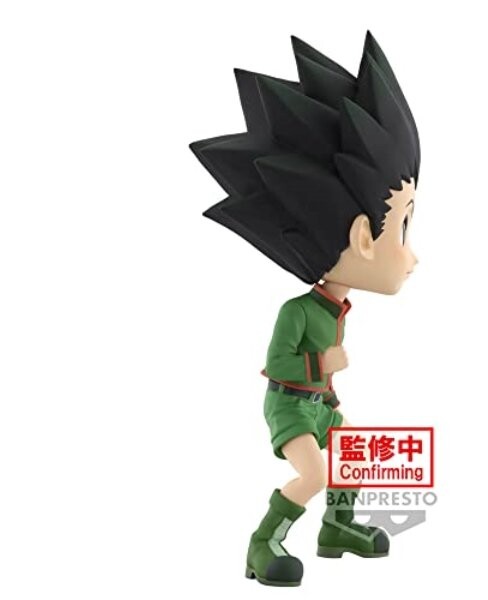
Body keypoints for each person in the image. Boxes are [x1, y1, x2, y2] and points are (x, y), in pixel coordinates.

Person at [190, 30, 420, 587]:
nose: (411, 256)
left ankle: (338, 529)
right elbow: (276, 366)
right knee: (313, 475)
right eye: (402, 227)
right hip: (290, 408)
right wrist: (323, 366)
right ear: (362, 236)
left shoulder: (334, 308)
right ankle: (263, 543)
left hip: (319, 406)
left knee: (352, 451)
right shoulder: (298, 311)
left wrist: (330, 393)